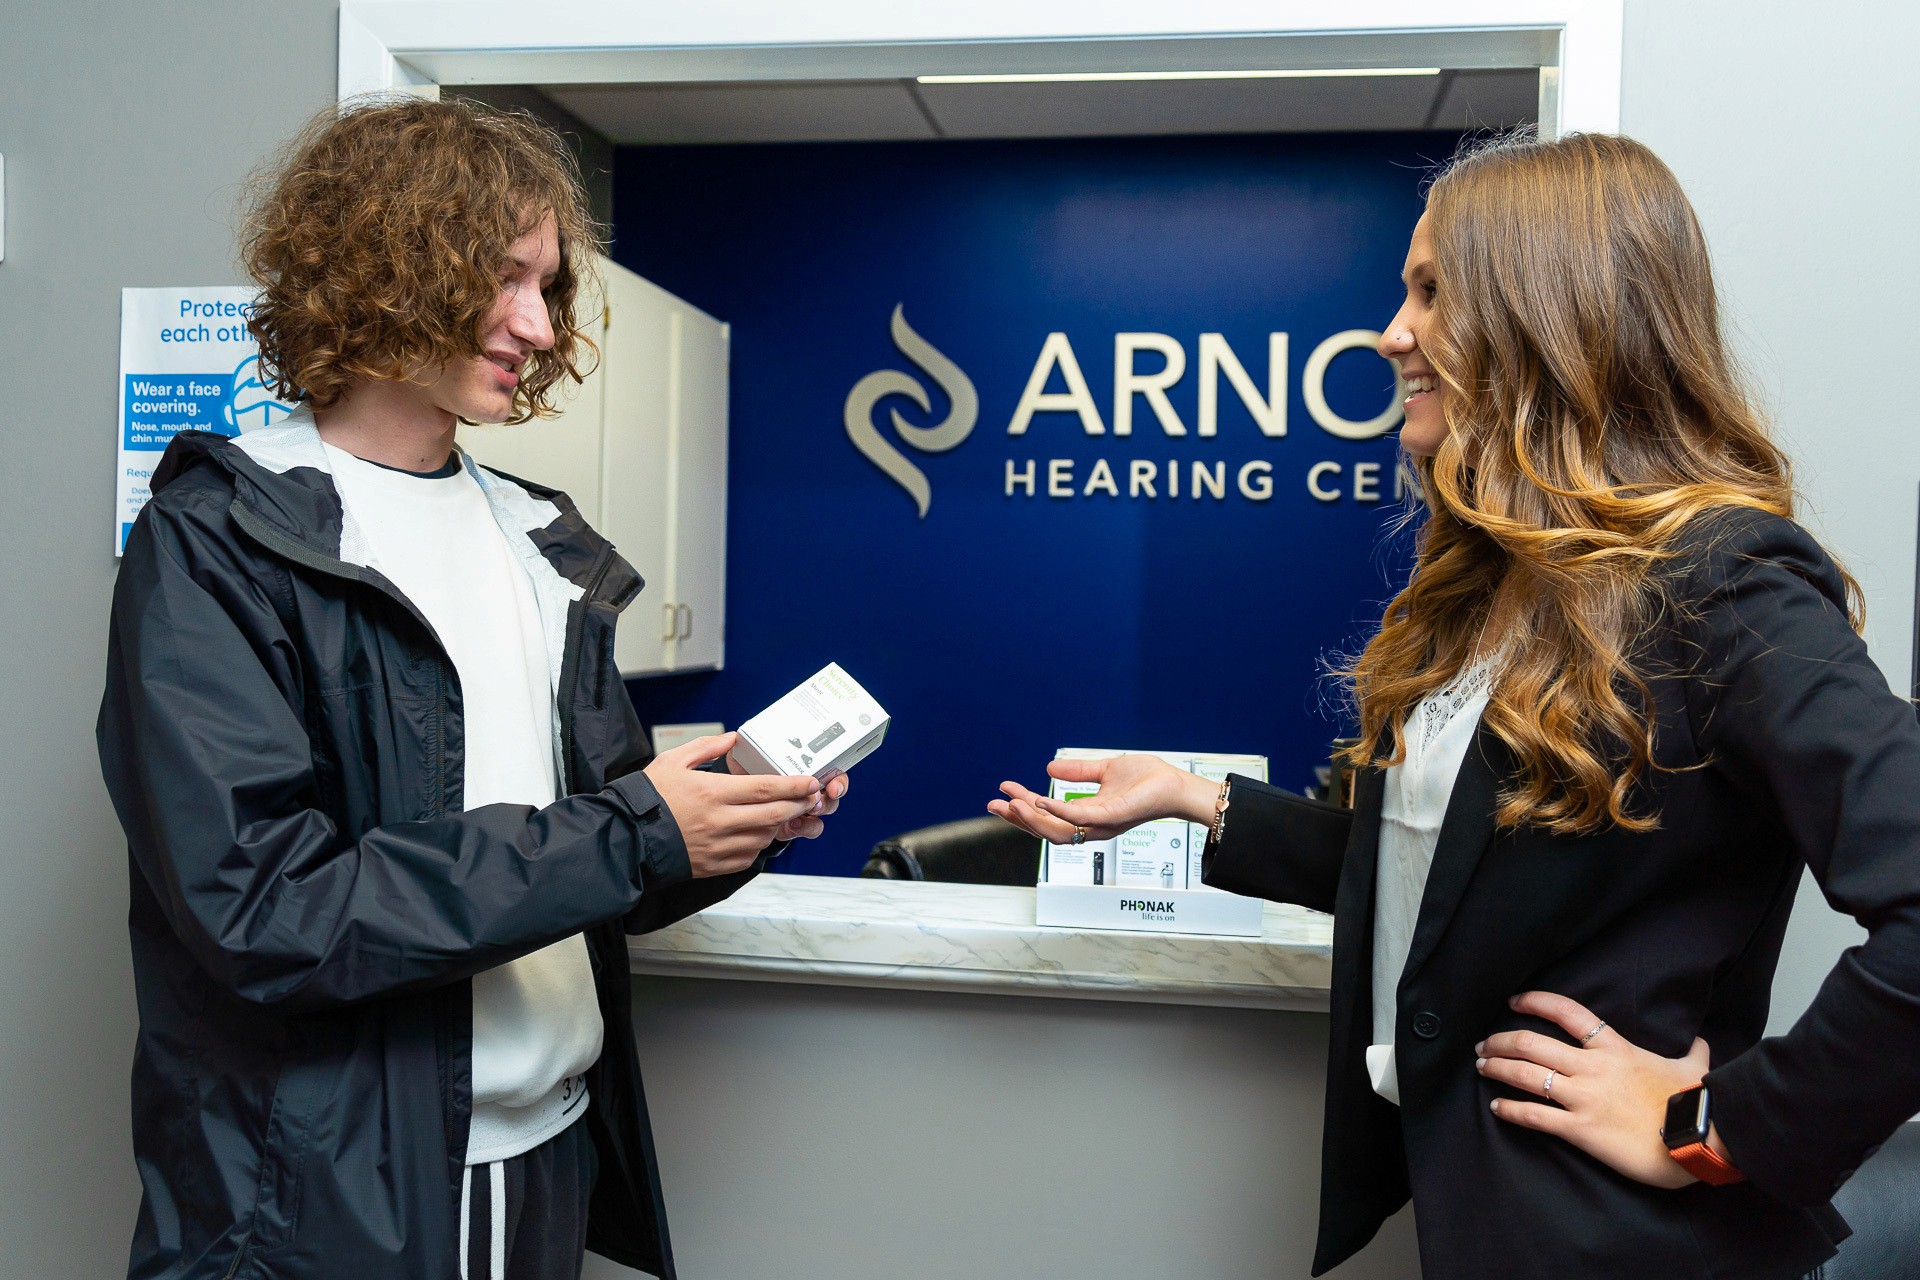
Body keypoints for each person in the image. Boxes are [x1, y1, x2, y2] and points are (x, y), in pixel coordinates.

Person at [991, 132, 1920, 1280]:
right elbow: (1449, 885)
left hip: (1637, 1246)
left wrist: (1720, 1126)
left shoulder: (1721, 586)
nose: (1392, 331)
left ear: (1547, 313)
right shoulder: (1508, 585)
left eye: (1432, 290)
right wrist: (1197, 802)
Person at [96, 97, 845, 1280]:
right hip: (320, 1190)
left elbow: (598, 867)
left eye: (548, 288)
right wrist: (630, 828)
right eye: (505, 279)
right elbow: (265, 910)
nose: (540, 329)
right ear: (390, 268)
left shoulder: (542, 538)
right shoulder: (218, 539)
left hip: (547, 1159)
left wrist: (718, 823)